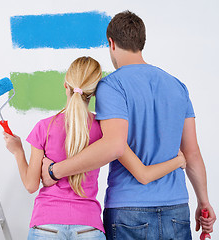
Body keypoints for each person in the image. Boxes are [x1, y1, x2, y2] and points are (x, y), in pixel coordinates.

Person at [41, 11, 216, 239]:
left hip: (128, 211)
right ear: (141, 42)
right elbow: (192, 153)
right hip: (177, 208)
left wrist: (55, 171)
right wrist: (204, 202)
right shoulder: (177, 86)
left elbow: (114, 145)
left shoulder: (112, 86)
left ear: (111, 43)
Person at [4, 56, 186, 240]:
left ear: (65, 84)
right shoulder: (105, 132)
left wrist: (18, 151)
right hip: (88, 227)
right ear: (94, 91)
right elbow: (142, 172)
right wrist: (178, 160)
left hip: (46, 224)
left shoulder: (44, 127)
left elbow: (30, 184)